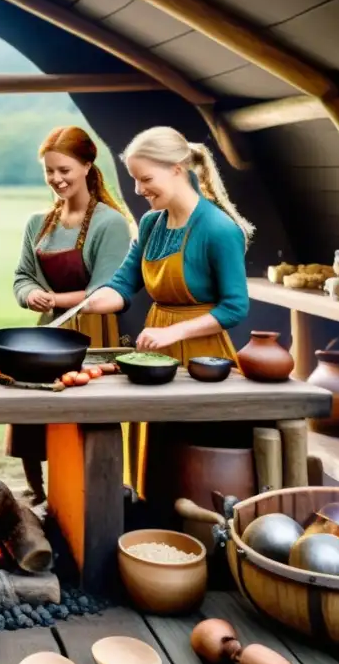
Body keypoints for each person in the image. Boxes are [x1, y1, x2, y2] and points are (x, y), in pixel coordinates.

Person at [83, 125, 252, 498]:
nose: (139, 190)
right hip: (154, 350)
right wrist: (98, 298)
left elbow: (235, 306)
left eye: (146, 179)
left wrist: (174, 333)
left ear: (177, 168)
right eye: (135, 181)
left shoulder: (218, 229)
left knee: (189, 454)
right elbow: (126, 282)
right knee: (152, 452)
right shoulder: (150, 223)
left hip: (202, 357)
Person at [7, 126, 134, 503]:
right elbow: (22, 276)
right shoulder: (38, 223)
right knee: (31, 411)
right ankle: (38, 492)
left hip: (94, 335)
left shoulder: (110, 223)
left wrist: (54, 299)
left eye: (65, 170)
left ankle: (87, 495)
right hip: (48, 334)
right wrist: (31, 296)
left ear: (87, 165)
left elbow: (105, 291)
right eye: (50, 171)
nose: (57, 179)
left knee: (81, 420)